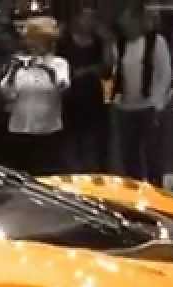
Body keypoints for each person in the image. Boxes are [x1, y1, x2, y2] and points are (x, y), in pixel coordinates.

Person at [0, 17, 70, 175]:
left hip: (48, 130)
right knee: (20, 174)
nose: (33, 44)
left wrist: (47, 69)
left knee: (44, 174)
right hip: (19, 128)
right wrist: (13, 71)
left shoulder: (59, 63)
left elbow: (63, 86)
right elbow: (7, 93)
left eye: (37, 40)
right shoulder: (19, 62)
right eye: (31, 40)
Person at [112, 7, 172, 185]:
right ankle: (134, 190)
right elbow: (115, 73)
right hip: (125, 107)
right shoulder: (119, 44)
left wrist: (157, 103)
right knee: (129, 156)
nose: (124, 26)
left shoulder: (156, 42)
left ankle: (155, 191)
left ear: (138, 22)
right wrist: (113, 99)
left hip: (149, 106)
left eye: (128, 21)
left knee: (153, 155)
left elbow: (164, 73)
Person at [58, 6, 112, 172]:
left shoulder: (99, 42)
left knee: (94, 144)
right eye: (86, 17)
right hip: (70, 101)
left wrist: (107, 42)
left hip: (94, 99)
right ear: (77, 19)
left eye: (93, 18)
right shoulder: (64, 41)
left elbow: (107, 67)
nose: (89, 22)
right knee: (71, 144)